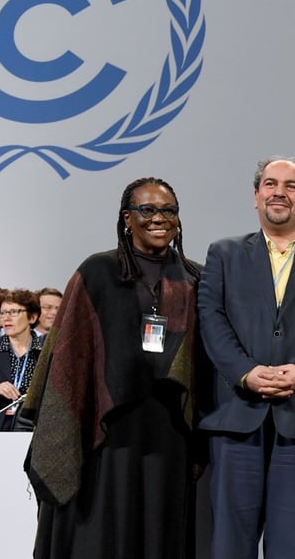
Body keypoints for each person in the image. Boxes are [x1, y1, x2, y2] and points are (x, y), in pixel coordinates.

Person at [22, 177, 204, 558]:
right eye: (148, 210)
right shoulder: (98, 271)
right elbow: (69, 352)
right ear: (127, 218)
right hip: (103, 424)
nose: (159, 218)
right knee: (102, 523)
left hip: (169, 427)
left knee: (161, 522)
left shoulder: (192, 277)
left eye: (168, 210)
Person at [198, 156, 295, 559]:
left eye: (291, 186)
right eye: (270, 184)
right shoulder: (223, 254)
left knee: (291, 542)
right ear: (256, 196)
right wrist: (246, 372)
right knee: (230, 543)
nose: (279, 192)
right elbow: (211, 321)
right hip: (237, 413)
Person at [0, 289, 43, 431]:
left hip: (34, 431)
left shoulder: (45, 353)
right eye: (3, 313)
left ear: (32, 317)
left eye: (14, 312)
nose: (6, 318)